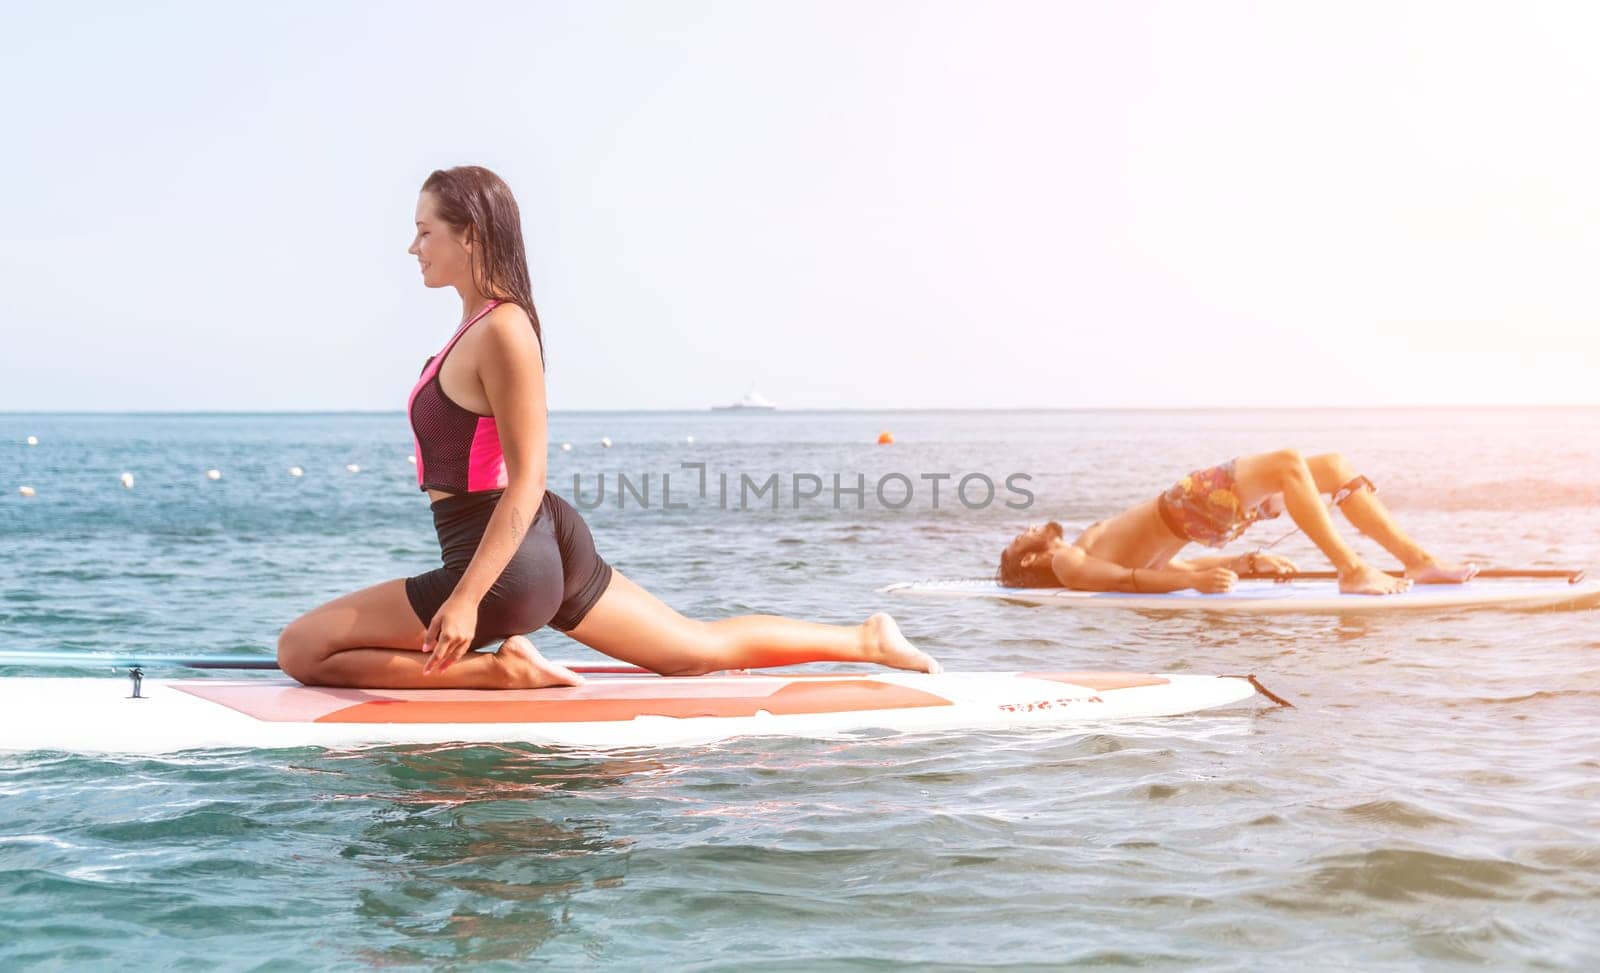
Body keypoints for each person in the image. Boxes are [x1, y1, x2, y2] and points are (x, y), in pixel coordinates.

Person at [277, 166, 938, 689]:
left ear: (469, 233)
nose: (412, 246)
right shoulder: (475, 328)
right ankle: (865, 639)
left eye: (425, 231)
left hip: (503, 560)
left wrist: (468, 601)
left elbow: (528, 476)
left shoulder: (502, 329)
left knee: (301, 649)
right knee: (692, 651)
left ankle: (499, 671)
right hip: (536, 545)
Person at [997, 451, 1479, 596]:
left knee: (1331, 468)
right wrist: (1197, 582)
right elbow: (1129, 580)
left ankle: (1418, 562)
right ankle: (1352, 571)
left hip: (1194, 522)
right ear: (1034, 557)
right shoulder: (1066, 560)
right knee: (1291, 463)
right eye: (1018, 543)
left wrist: (1242, 562)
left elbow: (1172, 568)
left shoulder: (1086, 550)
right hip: (1185, 507)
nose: (1023, 531)